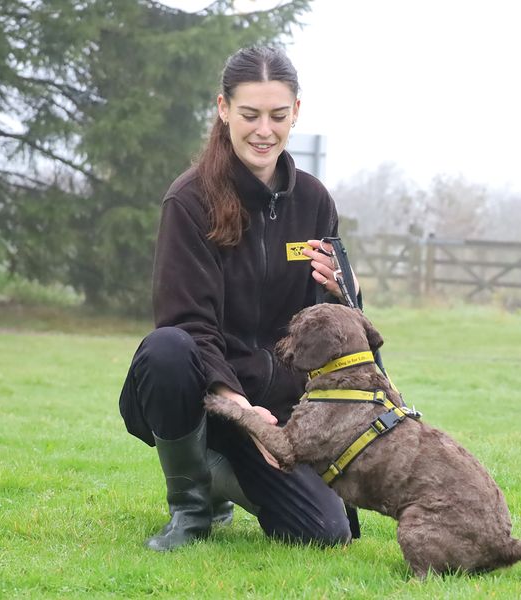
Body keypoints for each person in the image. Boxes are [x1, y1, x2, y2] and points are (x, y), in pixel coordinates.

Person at [118, 45, 359, 552]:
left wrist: (346, 297)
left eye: (277, 115)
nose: (264, 130)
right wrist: (238, 408)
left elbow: (333, 331)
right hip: (204, 397)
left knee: (328, 533)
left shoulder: (315, 201)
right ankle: (191, 507)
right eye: (250, 115)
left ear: (296, 112)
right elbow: (188, 325)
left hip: (280, 411)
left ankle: (222, 475)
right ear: (224, 109)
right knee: (167, 346)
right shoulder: (189, 201)